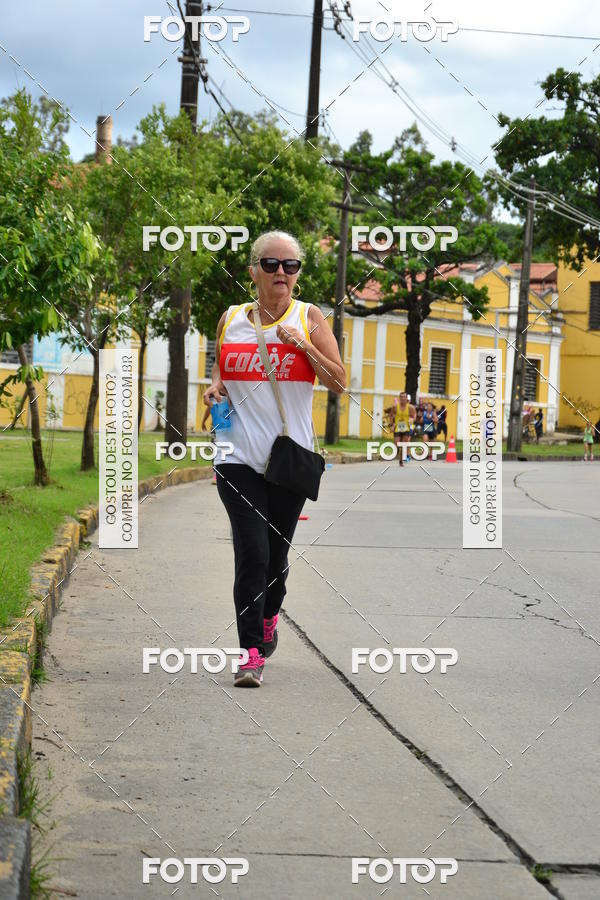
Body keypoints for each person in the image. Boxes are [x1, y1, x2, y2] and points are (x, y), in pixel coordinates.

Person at [204, 230, 346, 687]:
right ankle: (250, 654)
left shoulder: (309, 318)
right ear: (253, 272)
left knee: (277, 560)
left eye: (289, 265)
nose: (280, 273)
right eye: (270, 264)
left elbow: (338, 383)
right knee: (253, 554)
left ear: (298, 274)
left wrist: (300, 345)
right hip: (236, 459)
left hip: (288, 460)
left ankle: (269, 616)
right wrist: (216, 387)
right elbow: (222, 366)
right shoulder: (231, 319)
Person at [384, 391, 416, 466]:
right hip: (398, 427)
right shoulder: (395, 407)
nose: (403, 398)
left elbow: (414, 416)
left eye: (404, 397)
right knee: (397, 443)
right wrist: (391, 425)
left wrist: (412, 420)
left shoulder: (411, 407)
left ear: (406, 398)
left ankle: (401, 460)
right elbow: (391, 415)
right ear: (399, 398)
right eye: (401, 397)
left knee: (403, 445)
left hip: (406, 428)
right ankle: (398, 451)